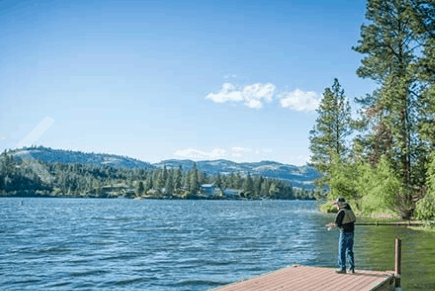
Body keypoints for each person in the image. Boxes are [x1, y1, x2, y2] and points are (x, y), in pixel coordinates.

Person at [327, 197, 356, 274]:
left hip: (344, 233)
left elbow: (338, 223)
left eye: (337, 204)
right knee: (350, 250)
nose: (336, 205)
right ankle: (351, 268)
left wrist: (332, 225)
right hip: (351, 232)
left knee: (341, 250)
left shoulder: (342, 211)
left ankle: (342, 268)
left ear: (340, 204)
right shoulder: (349, 210)